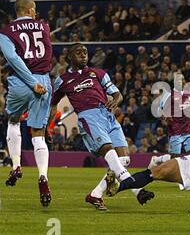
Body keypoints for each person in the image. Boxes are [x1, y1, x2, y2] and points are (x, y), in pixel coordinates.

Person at [50, 43, 154, 211]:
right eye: (79, 52)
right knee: (108, 149)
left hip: (107, 115)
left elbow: (117, 93)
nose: (83, 55)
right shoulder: (62, 80)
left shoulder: (98, 73)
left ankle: (95, 195)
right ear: (69, 57)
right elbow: (53, 104)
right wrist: (49, 125)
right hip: (88, 116)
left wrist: (116, 100)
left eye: (85, 52)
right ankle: (136, 189)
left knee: (124, 159)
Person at [0, 0, 53, 207]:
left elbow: (13, 59)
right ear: (30, 10)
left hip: (22, 81)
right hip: (44, 80)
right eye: (35, 9)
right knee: (38, 134)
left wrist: (30, 82)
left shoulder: (5, 33)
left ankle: (16, 165)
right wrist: (38, 82)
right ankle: (43, 176)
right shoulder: (44, 26)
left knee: (13, 121)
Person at [149, 72, 190, 167]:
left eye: (182, 79)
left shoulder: (188, 94)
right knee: (175, 158)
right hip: (175, 131)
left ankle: (187, 178)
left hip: (189, 130)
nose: (181, 82)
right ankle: (157, 159)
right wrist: (165, 117)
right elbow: (159, 109)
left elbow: (189, 108)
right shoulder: (169, 95)